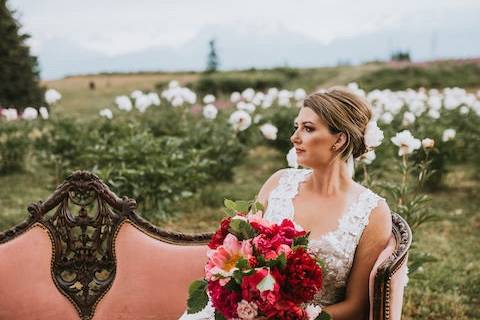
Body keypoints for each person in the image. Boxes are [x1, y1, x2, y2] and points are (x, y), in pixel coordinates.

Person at [180, 87, 392, 320]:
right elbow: (241, 252)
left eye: (308, 129)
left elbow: (358, 306)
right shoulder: (279, 182)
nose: (294, 137)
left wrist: (292, 317)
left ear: (339, 139)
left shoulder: (372, 212)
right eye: (296, 127)